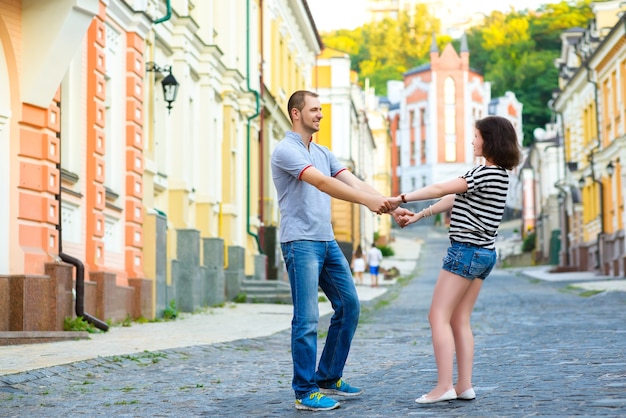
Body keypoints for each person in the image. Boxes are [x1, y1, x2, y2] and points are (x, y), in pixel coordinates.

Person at [270, 90, 406, 411]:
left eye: (321, 110)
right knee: (306, 318)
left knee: (349, 306)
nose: (320, 115)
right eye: (314, 110)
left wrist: (388, 204)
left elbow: (352, 181)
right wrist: (368, 202)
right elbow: (323, 183)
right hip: (300, 241)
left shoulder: (323, 151)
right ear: (295, 113)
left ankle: (328, 376)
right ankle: (305, 391)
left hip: (326, 241)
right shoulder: (285, 151)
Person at [393, 116, 522, 404]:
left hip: (465, 251)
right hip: (484, 253)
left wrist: (400, 198)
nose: (472, 141)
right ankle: (463, 385)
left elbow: (441, 188)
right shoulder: (497, 174)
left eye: (476, 136)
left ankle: (443, 387)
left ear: (490, 140)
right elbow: (453, 198)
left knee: (437, 316)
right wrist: (418, 216)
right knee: (459, 319)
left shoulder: (485, 174)